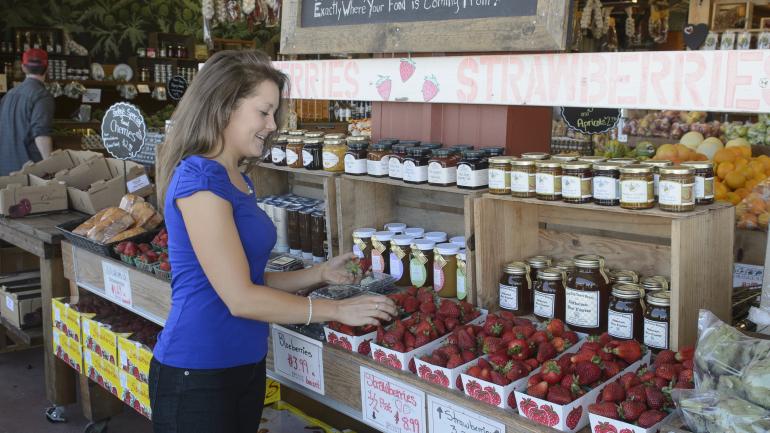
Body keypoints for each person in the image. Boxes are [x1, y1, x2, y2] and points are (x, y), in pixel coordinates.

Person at [151, 50, 397, 433]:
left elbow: (251, 280)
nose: (272, 124)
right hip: (197, 372)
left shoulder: (236, 177)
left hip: (242, 366)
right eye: (263, 112)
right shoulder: (200, 182)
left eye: (274, 113)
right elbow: (241, 298)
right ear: (223, 108)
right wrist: (337, 311)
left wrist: (320, 274)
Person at [0, 48, 54, 176]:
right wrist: (51, 167)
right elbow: (41, 135)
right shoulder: (42, 96)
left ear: (24, 68)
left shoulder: (9, 95)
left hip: (5, 170)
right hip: (29, 172)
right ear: (47, 68)